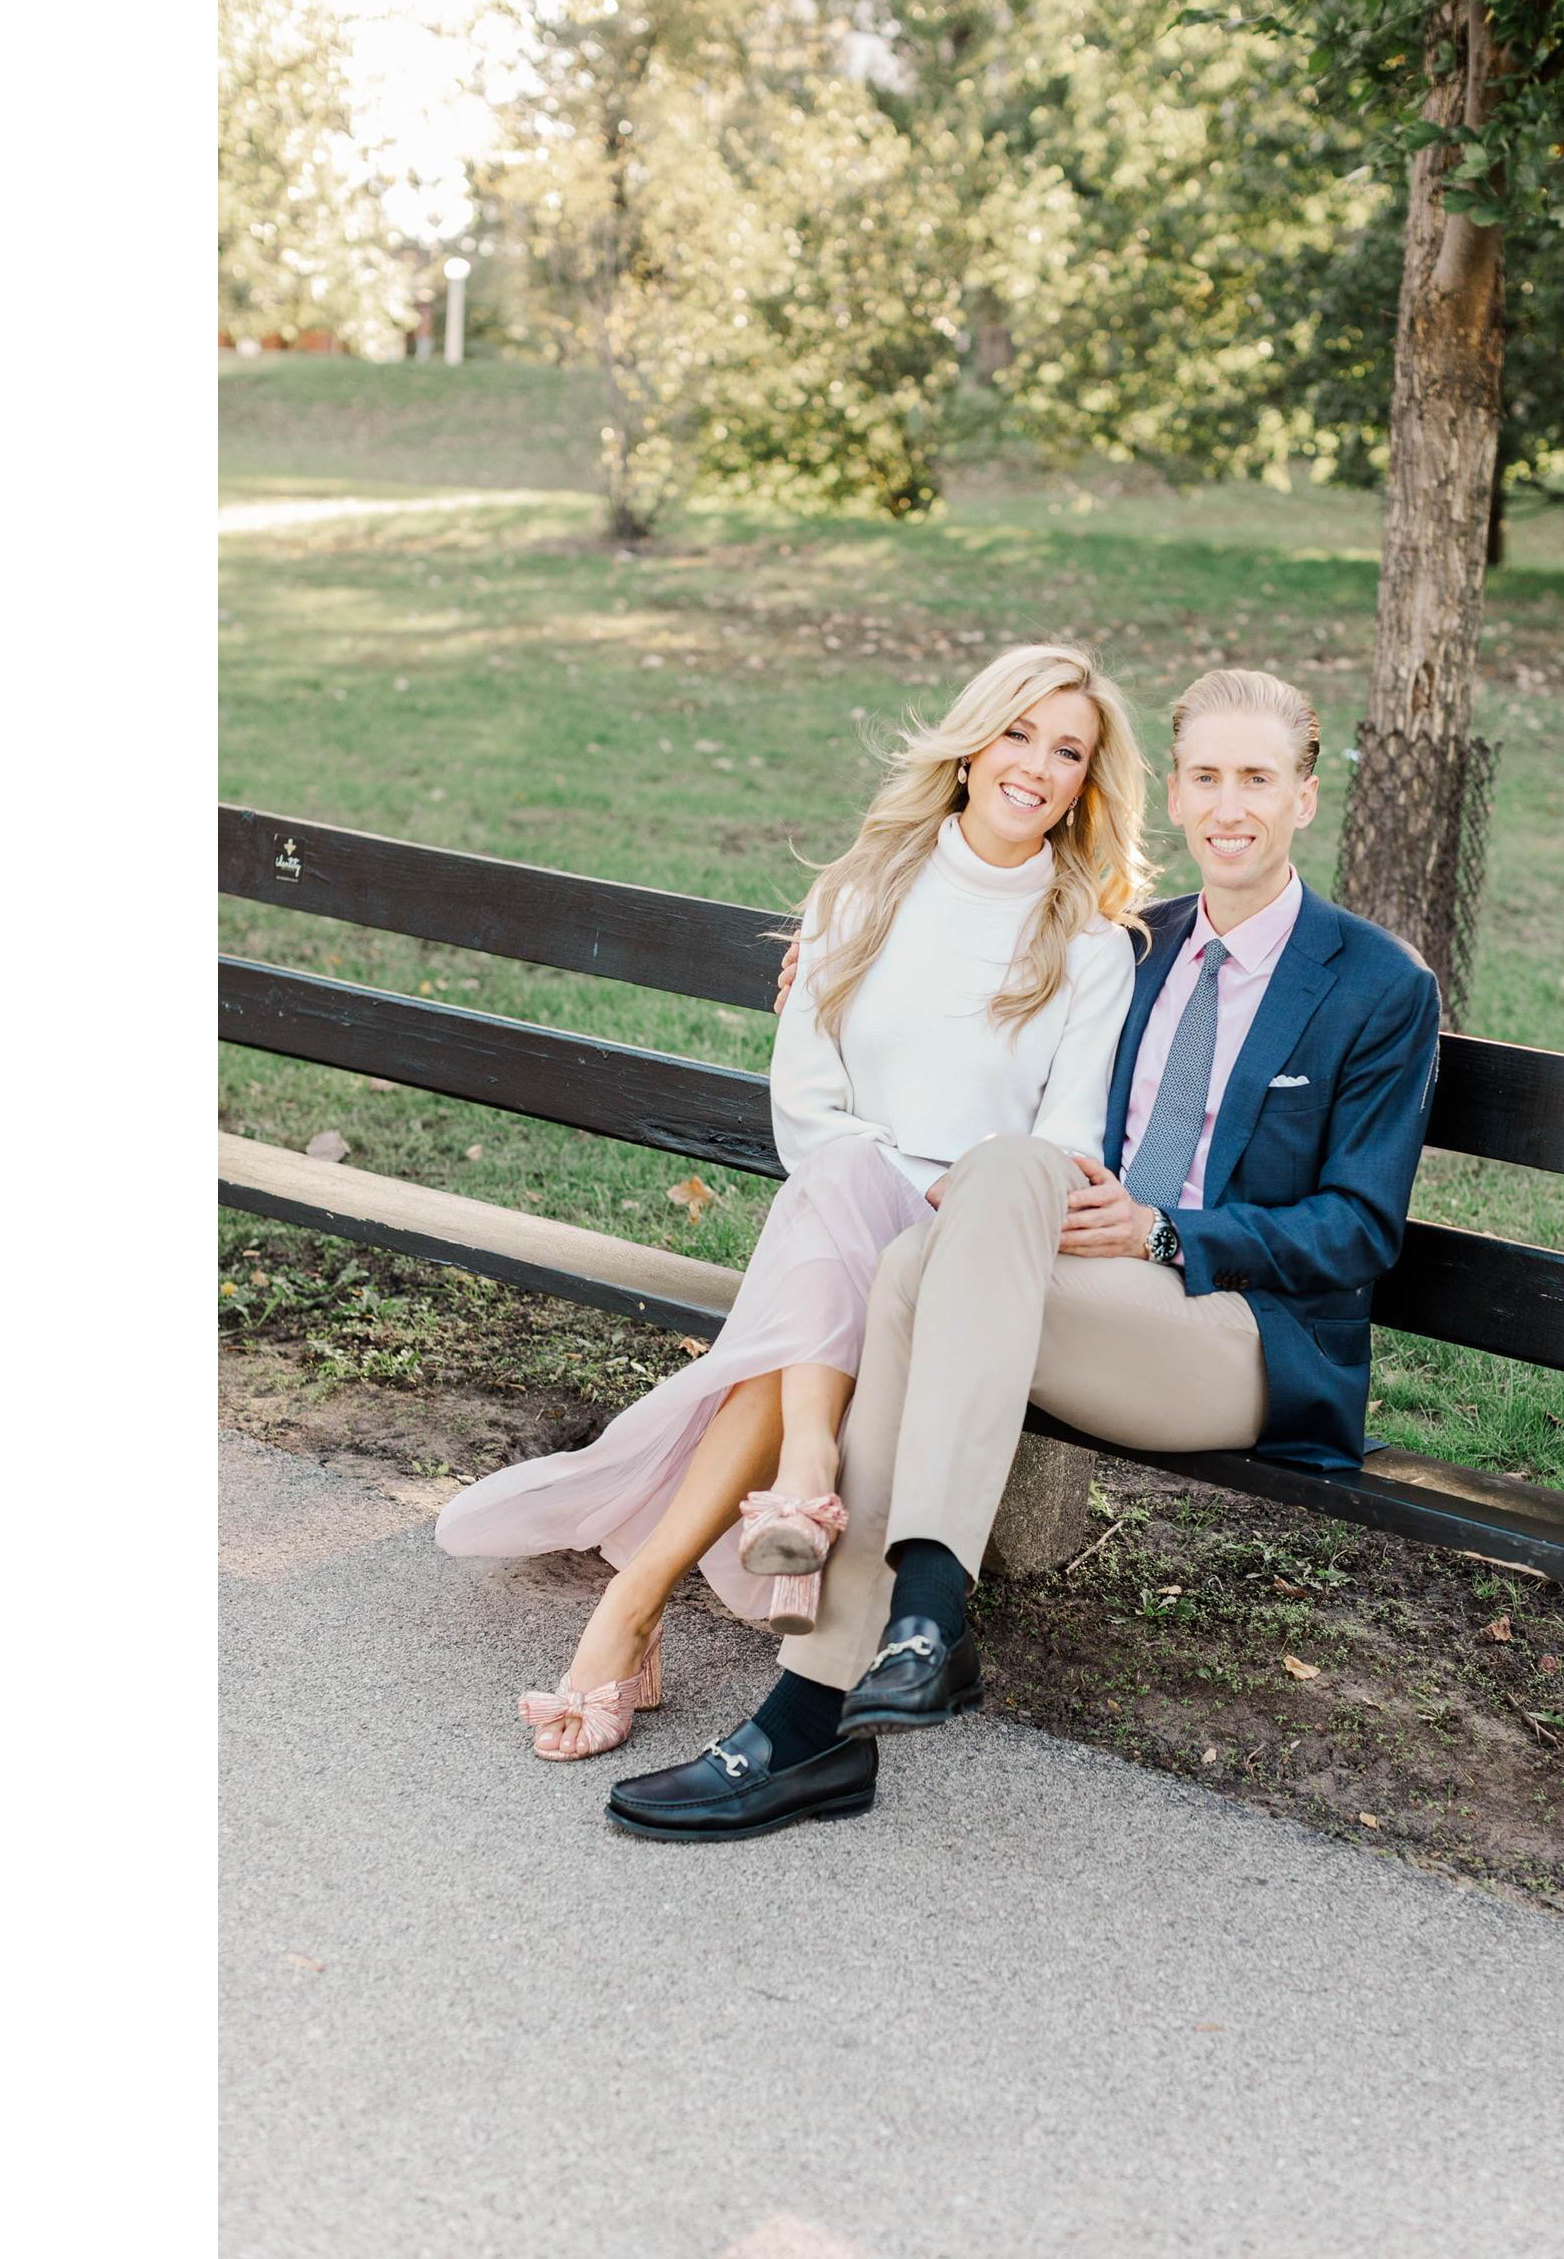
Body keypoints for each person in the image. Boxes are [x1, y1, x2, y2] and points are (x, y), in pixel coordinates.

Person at [604, 668, 1442, 1841]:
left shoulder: (1375, 985)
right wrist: (838, 951)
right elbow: (965, 983)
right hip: (1078, 1297)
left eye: (1258, 778)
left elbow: (1360, 1232)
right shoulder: (1122, 949)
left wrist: (1166, 1231)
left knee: (928, 1264)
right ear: (1177, 796)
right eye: (1206, 777)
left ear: (1304, 796)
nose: (1230, 806)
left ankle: (834, 1700)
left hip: (1241, 1333)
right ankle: (904, 1640)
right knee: (924, 1254)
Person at [434, 645, 1152, 1760]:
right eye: (1019, 735)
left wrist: (938, 1189)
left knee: (823, 1237)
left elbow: (1067, 1141)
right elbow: (807, 1100)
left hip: (966, 1253)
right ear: (969, 748)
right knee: (835, 1186)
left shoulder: (1091, 947)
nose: (1038, 767)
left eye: (1068, 752)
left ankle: (643, 1600)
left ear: (1085, 786)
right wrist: (893, 1173)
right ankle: (772, 1500)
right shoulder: (861, 895)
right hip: (842, 1202)